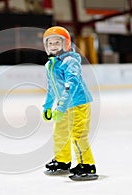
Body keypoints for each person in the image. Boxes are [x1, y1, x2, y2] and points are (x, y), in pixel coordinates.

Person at [42, 26, 98, 180]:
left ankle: (87, 165)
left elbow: (71, 85)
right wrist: (47, 105)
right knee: (60, 133)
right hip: (64, 106)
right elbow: (52, 87)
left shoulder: (70, 61)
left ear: (66, 44)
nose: (54, 46)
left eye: (57, 42)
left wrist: (60, 107)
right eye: (50, 43)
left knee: (78, 134)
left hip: (78, 104)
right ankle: (62, 161)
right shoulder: (50, 64)